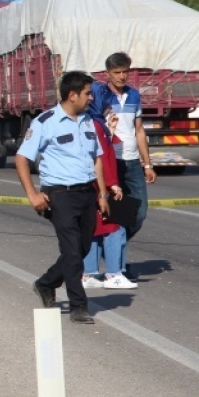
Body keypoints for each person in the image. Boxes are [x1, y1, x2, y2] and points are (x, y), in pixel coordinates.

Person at [16, 71, 109, 324]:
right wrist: (33, 194)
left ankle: (45, 283)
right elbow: (22, 158)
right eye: (88, 93)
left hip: (86, 193)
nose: (91, 98)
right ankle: (79, 305)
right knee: (71, 250)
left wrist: (102, 194)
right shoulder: (45, 122)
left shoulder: (89, 121)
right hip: (59, 195)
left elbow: (97, 159)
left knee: (82, 248)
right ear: (72, 95)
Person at [93, 52, 156, 279]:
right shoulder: (100, 96)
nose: (121, 76)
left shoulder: (134, 96)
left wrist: (147, 164)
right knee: (117, 214)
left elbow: (139, 130)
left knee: (139, 213)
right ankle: (116, 265)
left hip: (132, 162)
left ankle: (110, 250)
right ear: (107, 73)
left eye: (125, 72)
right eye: (116, 72)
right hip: (111, 162)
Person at [81, 100, 137, 290]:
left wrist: (110, 130)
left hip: (95, 184)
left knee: (96, 229)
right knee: (115, 229)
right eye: (106, 105)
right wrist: (112, 184)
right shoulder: (96, 125)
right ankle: (114, 273)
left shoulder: (94, 124)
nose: (109, 109)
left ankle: (89, 273)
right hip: (103, 185)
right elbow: (103, 158)